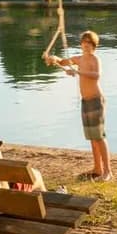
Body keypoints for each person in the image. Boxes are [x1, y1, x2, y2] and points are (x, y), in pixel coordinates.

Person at [48, 31, 111, 181]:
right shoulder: (79, 58)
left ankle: (108, 172)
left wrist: (77, 71)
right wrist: (53, 58)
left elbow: (96, 75)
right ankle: (97, 168)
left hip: (96, 100)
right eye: (84, 42)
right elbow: (63, 62)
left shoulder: (94, 59)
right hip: (86, 101)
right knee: (92, 137)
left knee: (99, 136)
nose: (86, 45)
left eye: (89, 43)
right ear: (81, 44)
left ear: (94, 46)